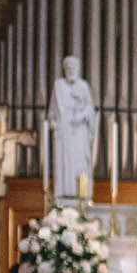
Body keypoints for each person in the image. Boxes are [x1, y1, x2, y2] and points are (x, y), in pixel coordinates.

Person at [48, 56, 97, 201]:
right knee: (64, 165)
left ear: (78, 69)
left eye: (73, 68)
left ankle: (81, 194)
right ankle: (64, 192)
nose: (70, 70)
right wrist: (53, 122)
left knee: (79, 163)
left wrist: (81, 115)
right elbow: (52, 111)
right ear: (64, 70)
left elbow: (90, 108)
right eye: (68, 68)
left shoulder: (83, 86)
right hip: (64, 131)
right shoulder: (59, 85)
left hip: (79, 131)